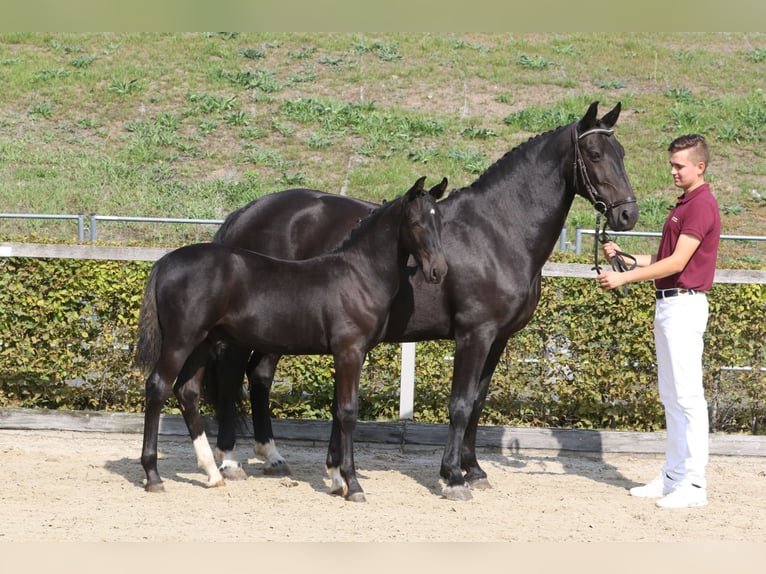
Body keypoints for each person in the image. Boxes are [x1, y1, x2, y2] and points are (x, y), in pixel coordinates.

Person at [597, 133, 721, 509]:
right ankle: (673, 476)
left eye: (680, 165)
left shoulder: (701, 205)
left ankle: (694, 484)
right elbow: (664, 257)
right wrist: (627, 257)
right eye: (672, 164)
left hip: (684, 305)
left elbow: (678, 263)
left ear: (700, 166)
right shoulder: (684, 205)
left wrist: (623, 277)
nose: (673, 171)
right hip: (669, 304)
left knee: (687, 398)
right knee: (672, 396)